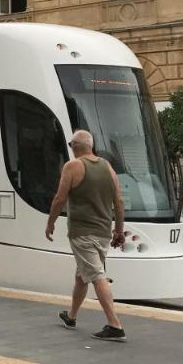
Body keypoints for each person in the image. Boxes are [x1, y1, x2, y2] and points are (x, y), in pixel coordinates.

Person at [46, 129, 127, 342]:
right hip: (102, 232)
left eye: (71, 146)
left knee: (96, 276)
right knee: (82, 275)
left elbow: (59, 198)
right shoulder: (107, 167)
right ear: (91, 146)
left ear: (74, 146)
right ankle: (71, 316)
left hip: (82, 233)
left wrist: (51, 222)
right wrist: (119, 231)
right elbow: (119, 202)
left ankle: (115, 325)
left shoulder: (72, 166)